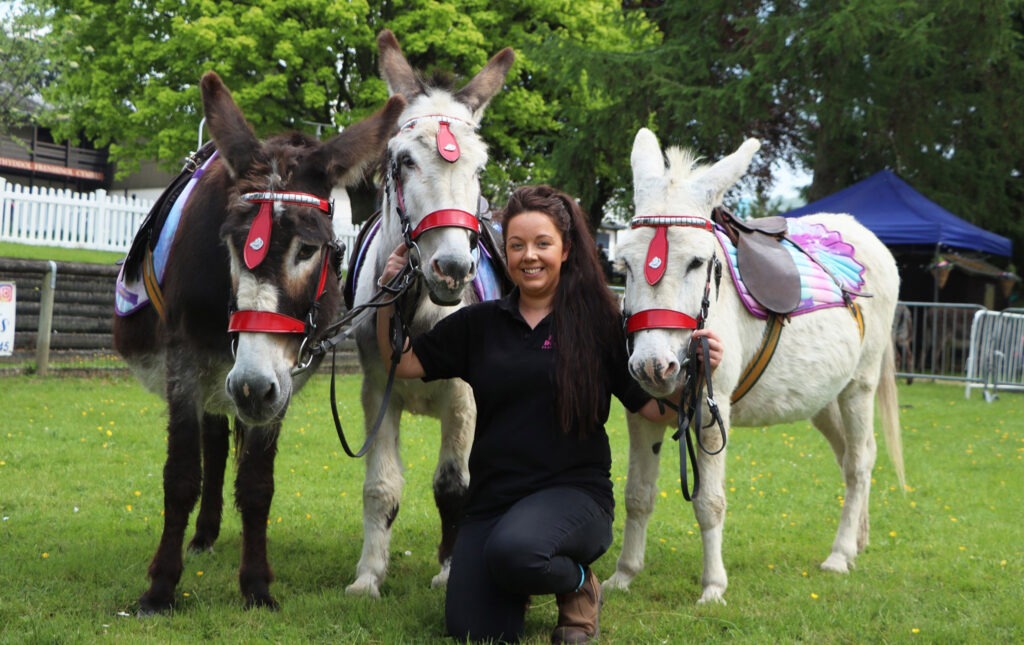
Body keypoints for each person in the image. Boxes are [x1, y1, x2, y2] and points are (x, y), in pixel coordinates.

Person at [376, 185, 722, 643]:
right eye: (516, 246)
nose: (528, 256)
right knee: (476, 631)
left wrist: (696, 375)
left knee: (516, 552)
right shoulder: (480, 324)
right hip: (494, 502)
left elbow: (655, 410)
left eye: (542, 243)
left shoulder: (601, 324)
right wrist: (387, 292)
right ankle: (521, 571)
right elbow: (401, 362)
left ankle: (579, 587)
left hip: (574, 498)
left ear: (566, 249)